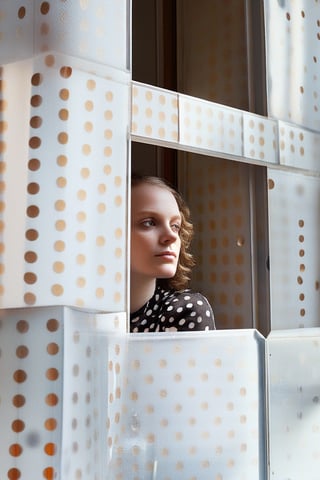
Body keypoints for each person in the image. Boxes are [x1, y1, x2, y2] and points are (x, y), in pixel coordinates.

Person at [130, 173, 215, 333]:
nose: (171, 236)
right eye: (149, 222)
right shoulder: (81, 311)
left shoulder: (185, 309)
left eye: (175, 226)